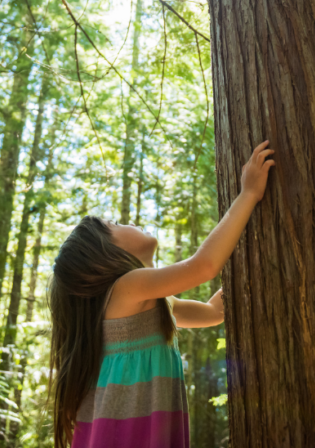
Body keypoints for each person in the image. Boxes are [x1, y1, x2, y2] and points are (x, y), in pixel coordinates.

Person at [48, 140, 275, 447]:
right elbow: (203, 267)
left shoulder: (151, 303)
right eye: (114, 224)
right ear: (103, 255)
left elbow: (213, 313)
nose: (126, 221)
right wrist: (248, 194)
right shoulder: (126, 287)